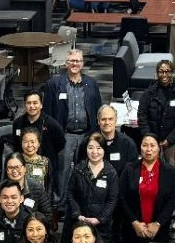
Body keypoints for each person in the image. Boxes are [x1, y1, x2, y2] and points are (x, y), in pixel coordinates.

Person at [43, 49, 102, 199]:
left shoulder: (92, 83)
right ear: (66, 63)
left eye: (78, 61)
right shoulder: (53, 84)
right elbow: (47, 113)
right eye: (71, 61)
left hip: (86, 135)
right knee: (62, 171)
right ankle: (60, 204)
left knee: (84, 170)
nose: (74, 64)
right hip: (65, 135)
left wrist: (95, 134)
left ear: (82, 64)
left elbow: (98, 109)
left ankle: (81, 201)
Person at [118, 133, 175, 243]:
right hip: (133, 230)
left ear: (159, 148)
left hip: (158, 230)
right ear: (140, 148)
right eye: (145, 145)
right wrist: (134, 222)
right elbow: (121, 197)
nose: (148, 149)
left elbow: (173, 199)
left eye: (152, 145)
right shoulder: (130, 169)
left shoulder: (170, 171)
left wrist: (157, 223)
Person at [67, 132, 120, 243]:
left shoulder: (111, 173)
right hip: (80, 223)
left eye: (98, 148)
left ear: (104, 149)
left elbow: (112, 200)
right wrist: (77, 215)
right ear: (86, 149)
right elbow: (70, 194)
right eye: (90, 148)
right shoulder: (78, 170)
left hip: (102, 228)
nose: (94, 152)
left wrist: (100, 219)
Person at [139, 60, 175, 167]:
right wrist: (149, 138)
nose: (164, 75)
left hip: (171, 140)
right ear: (157, 73)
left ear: (171, 73)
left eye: (167, 71)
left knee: (172, 169)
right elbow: (142, 117)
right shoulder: (148, 94)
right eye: (161, 72)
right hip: (151, 140)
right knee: (149, 168)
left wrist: (169, 139)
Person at [11, 89, 65, 185]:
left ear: (41, 105)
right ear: (25, 105)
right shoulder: (17, 123)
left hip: (45, 168)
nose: (32, 106)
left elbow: (60, 143)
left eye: (35, 103)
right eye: (29, 103)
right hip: (22, 167)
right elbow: (16, 144)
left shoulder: (52, 124)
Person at [80, 104, 139, 176]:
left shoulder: (128, 144)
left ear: (116, 120)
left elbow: (133, 174)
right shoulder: (87, 143)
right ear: (98, 121)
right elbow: (80, 170)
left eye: (110, 119)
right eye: (103, 119)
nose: (107, 122)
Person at [0, 151, 49, 219]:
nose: (14, 171)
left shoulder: (37, 188)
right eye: (10, 167)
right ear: (6, 170)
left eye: (17, 167)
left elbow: (47, 215)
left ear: (25, 168)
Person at [17, 127, 54, 220]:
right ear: (21, 143)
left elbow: (49, 185)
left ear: (39, 143)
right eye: (25, 142)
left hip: (40, 203)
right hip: (18, 203)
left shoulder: (45, 161)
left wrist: (47, 202)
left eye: (33, 142)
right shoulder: (16, 160)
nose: (29, 145)